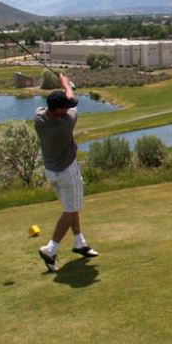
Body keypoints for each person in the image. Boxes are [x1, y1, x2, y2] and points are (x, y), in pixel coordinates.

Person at [34, 73, 98, 273]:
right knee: (71, 210)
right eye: (65, 108)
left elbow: (67, 101)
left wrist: (64, 89)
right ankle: (50, 249)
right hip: (67, 172)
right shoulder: (66, 122)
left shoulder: (38, 116)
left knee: (72, 207)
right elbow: (72, 100)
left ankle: (80, 242)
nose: (68, 109)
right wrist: (67, 84)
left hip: (51, 172)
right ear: (59, 110)